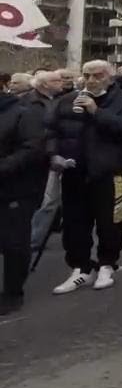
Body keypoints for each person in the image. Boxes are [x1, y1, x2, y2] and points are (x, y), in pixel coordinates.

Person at [45, 60, 122, 294]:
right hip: (75, 171)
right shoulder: (68, 101)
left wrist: (96, 112)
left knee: (111, 222)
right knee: (74, 222)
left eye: (97, 76)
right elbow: (50, 129)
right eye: (87, 75)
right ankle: (80, 268)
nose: (90, 80)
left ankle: (107, 264)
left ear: (109, 78)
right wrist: (53, 155)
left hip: (112, 172)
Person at [0, 73, 47, 315]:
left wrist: (4, 167)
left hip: (15, 190)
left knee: (14, 243)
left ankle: (12, 292)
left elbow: (32, 148)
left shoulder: (23, 112)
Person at [22, 71, 65, 252]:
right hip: (44, 157)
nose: (61, 82)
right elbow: (43, 132)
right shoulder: (31, 103)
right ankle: (32, 240)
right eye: (57, 80)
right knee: (47, 201)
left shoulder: (57, 100)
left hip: (52, 155)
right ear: (44, 84)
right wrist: (51, 153)